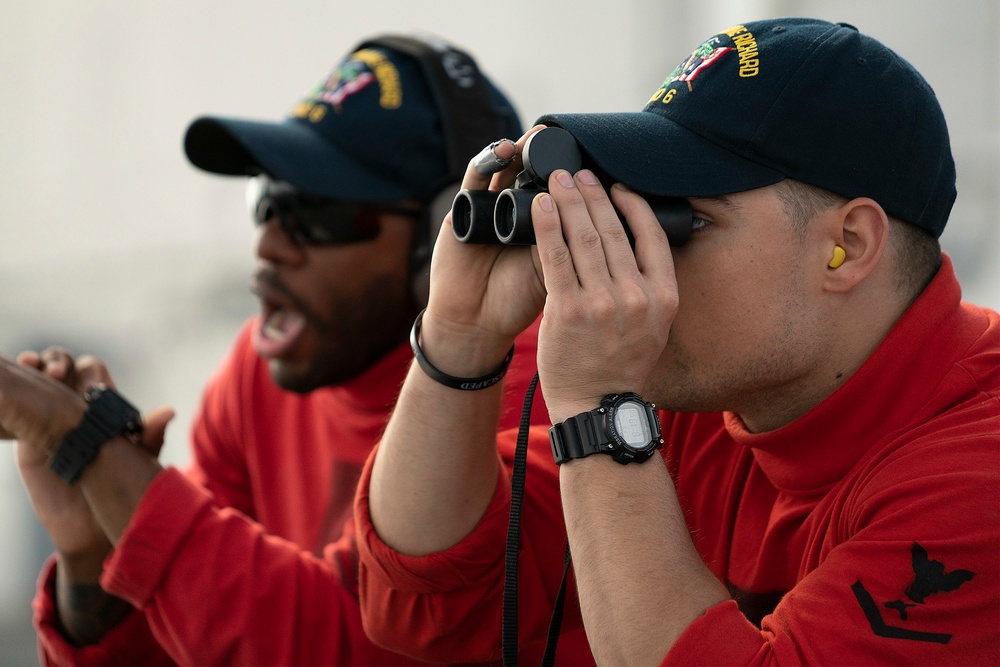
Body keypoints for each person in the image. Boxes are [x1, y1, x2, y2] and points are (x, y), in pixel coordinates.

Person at [353, 18, 999, 665]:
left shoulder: (977, 480)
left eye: (682, 219)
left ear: (846, 248)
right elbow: (427, 599)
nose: (642, 255)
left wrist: (599, 405)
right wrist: (460, 333)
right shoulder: (712, 405)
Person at [0, 35, 570, 666]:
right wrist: (93, 562)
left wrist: (94, 448)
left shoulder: (524, 373)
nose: (269, 244)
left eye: (317, 212)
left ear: (449, 226)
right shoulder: (256, 372)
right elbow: (192, 628)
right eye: (265, 201)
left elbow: (366, 643)